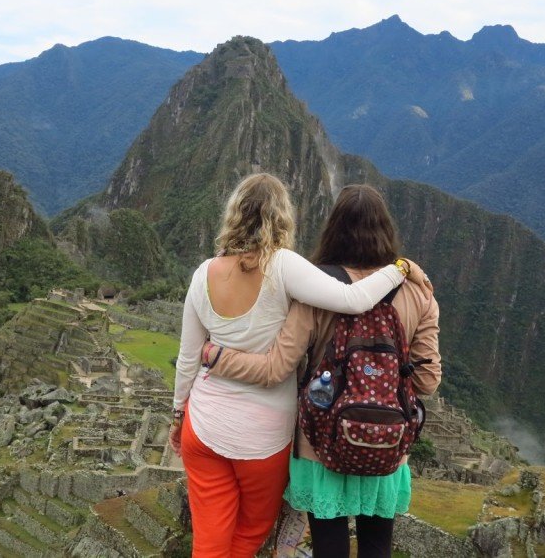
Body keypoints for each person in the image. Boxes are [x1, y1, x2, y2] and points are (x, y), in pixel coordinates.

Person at [170, 174, 410, 558]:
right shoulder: (283, 266)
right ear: (283, 217)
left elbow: (187, 357)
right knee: (250, 532)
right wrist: (400, 268)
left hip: (202, 425)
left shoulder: (204, 273)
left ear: (233, 214)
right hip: (261, 438)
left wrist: (178, 413)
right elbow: (352, 299)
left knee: (210, 538)